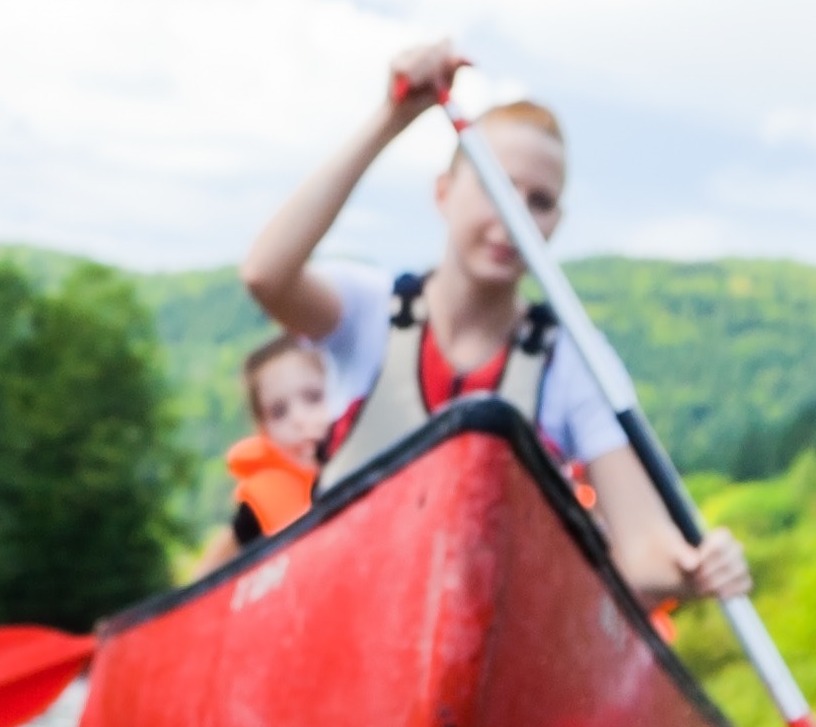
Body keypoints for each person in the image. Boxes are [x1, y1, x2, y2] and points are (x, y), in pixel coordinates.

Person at [238, 35, 754, 615]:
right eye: (496, 187)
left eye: (538, 201)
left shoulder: (573, 358)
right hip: (341, 619)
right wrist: (394, 116)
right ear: (443, 193)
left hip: (483, 635)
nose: (514, 217)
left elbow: (643, 551)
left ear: (556, 221)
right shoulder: (369, 310)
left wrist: (694, 566)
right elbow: (266, 274)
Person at [189, 331, 338, 572]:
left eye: (313, 398)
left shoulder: (368, 452)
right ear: (263, 429)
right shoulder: (256, 510)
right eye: (280, 412)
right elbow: (202, 580)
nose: (299, 419)